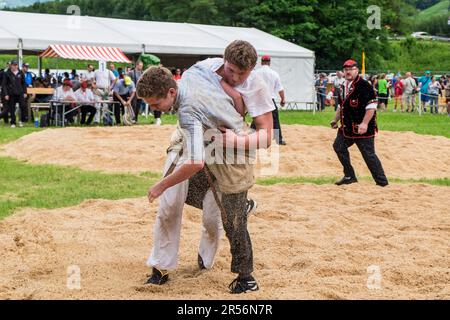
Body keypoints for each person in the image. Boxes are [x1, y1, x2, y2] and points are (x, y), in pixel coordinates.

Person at [138, 40, 274, 294]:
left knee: (227, 217)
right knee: (171, 200)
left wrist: (236, 138)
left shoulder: (257, 86)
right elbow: (229, 94)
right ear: (223, 60)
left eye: (240, 75)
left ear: (251, 70)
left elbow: (267, 137)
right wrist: (231, 100)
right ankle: (160, 266)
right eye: (230, 70)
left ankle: (246, 277)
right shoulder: (202, 68)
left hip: (232, 150)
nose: (234, 77)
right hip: (197, 138)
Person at [330, 59, 388, 187]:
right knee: (338, 147)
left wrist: (365, 123)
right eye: (346, 69)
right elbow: (342, 106)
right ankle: (349, 176)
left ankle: (382, 183)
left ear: (357, 70)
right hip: (347, 128)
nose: (348, 72)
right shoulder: (342, 85)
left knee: (369, 155)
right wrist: (335, 120)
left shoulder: (365, 86)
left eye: (351, 69)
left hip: (362, 128)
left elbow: (371, 107)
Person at [253, 55, 287, 145]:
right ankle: (278, 139)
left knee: (256, 117)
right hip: (270, 99)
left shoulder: (256, 73)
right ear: (269, 62)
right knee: (275, 119)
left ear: (261, 62)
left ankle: (250, 134)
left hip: (258, 98)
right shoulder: (274, 74)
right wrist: (283, 99)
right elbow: (280, 89)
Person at [0, 60, 28, 128]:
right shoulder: (7, 73)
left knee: (23, 106)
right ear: (11, 65)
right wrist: (6, 94)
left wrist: (25, 92)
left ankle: (21, 120)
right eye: (14, 65)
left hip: (20, 92)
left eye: (16, 65)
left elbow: (24, 83)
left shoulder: (21, 73)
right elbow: (4, 85)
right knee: (12, 108)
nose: (15, 66)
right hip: (11, 93)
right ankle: (13, 122)